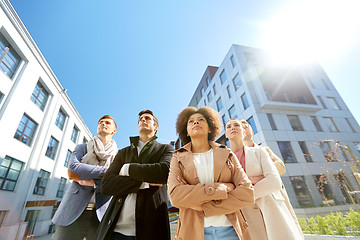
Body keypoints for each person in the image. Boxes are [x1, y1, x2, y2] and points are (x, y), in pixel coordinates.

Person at [167, 107, 254, 240]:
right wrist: (224, 188)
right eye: (191, 121)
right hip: (192, 231)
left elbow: (247, 193)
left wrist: (199, 203)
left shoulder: (227, 153)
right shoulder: (177, 157)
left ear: (209, 128)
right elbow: (175, 196)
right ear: (187, 131)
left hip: (231, 230)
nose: (196, 122)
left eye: (201, 119)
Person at [95, 110, 173, 240]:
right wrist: (145, 182)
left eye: (147, 118)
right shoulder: (123, 153)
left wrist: (127, 169)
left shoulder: (166, 149)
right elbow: (106, 185)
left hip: (150, 230)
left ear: (156, 127)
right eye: (141, 119)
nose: (143, 120)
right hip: (114, 230)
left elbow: (165, 172)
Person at [225, 118, 303, 240]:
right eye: (229, 126)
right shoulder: (226, 158)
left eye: (244, 126)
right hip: (247, 209)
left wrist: (257, 178)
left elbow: (280, 169)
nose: (236, 128)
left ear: (249, 131)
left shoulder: (263, 150)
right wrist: (262, 176)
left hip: (271, 198)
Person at [52, 115, 118, 240]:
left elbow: (118, 181)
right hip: (72, 212)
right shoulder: (82, 147)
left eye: (107, 123)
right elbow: (73, 169)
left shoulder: (119, 155)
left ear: (114, 131)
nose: (103, 124)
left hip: (101, 215)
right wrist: (108, 171)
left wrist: (93, 182)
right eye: (100, 122)